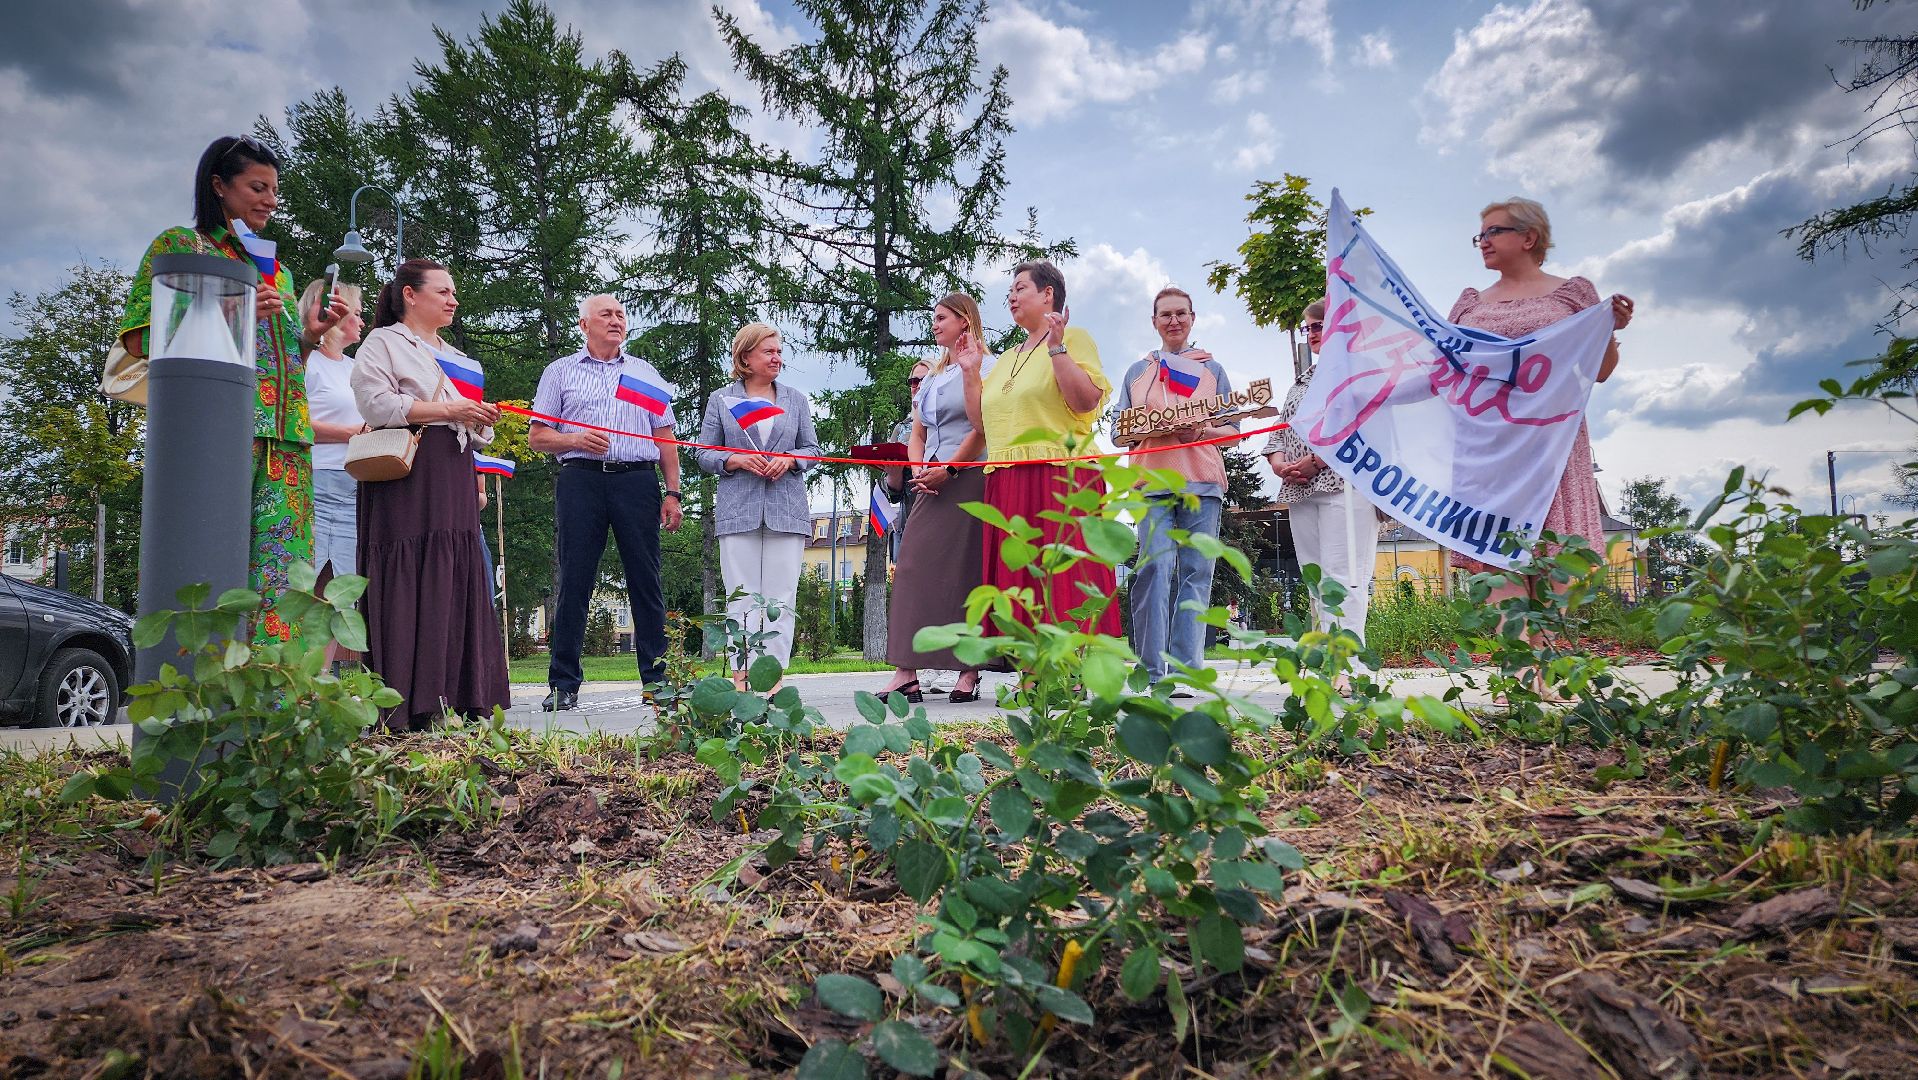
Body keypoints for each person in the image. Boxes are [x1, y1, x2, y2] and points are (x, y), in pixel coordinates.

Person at [119, 135, 347, 643]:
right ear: (219, 186)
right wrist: (226, 306)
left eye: (274, 190)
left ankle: (275, 702)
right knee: (206, 556)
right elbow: (139, 337)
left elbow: (286, 359)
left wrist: (308, 336)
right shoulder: (179, 245)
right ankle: (201, 695)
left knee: (285, 580)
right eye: (257, 187)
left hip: (287, 440)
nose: (270, 200)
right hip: (221, 433)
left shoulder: (279, 272)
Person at [1447, 197, 1634, 599]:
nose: (1483, 241)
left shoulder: (1571, 295)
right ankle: (1520, 665)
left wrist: (1609, 330)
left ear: (1529, 237)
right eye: (1480, 234)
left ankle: (1548, 660)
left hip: (1552, 452)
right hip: (1488, 457)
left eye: (1494, 231)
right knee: (1504, 610)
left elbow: (1599, 371)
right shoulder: (1469, 303)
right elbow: (1444, 370)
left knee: (1551, 608)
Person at [351, 259, 509, 729]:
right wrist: (446, 408)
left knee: (457, 573)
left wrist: (478, 418)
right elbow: (374, 403)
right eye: (442, 291)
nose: (452, 299)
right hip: (408, 476)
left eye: (453, 291)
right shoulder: (384, 342)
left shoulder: (460, 358)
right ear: (409, 295)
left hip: (453, 470)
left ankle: (458, 696)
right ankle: (406, 702)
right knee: (410, 575)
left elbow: (469, 428)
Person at [528, 294, 686, 712]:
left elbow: (666, 437)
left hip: (637, 481)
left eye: (621, 314)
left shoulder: (643, 372)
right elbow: (538, 436)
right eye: (606, 314)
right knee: (575, 580)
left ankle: (657, 682)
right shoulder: (559, 372)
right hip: (581, 479)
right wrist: (574, 439)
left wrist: (673, 492)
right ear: (584, 324)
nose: (616, 320)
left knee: (646, 581)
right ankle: (563, 683)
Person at [971, 260, 1121, 637]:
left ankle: (1068, 668)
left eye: (1020, 288)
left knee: (1063, 572)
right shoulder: (1006, 358)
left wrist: (1057, 349)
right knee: (1019, 577)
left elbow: (1086, 400)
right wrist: (971, 371)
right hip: (1006, 478)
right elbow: (981, 424)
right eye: (1009, 291)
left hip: (1059, 473)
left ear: (1048, 293)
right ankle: (1030, 670)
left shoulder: (1075, 337)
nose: (1011, 297)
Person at [1116, 286, 1241, 687]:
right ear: (1154, 322)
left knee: (1196, 572)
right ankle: (1151, 670)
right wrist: (1148, 429)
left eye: (1180, 314)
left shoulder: (1213, 369)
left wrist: (1200, 429)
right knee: (1154, 568)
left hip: (1201, 482)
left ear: (1192, 318)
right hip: (1151, 480)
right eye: (1165, 314)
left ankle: (1186, 671)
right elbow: (1121, 433)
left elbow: (1233, 431)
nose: (1173, 321)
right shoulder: (1138, 372)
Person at [878, 294, 996, 704]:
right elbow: (918, 431)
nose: (934, 324)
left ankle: (969, 669)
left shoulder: (986, 364)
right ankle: (905, 671)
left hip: (970, 476)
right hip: (928, 479)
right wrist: (916, 469)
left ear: (965, 321)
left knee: (966, 573)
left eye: (941, 318)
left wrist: (951, 469)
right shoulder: (932, 374)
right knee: (910, 565)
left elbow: (981, 428)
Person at [695, 324, 821, 688]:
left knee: (781, 598)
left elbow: (812, 449)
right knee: (742, 599)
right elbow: (704, 453)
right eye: (769, 351)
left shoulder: (795, 399)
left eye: (779, 351)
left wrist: (790, 460)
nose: (777, 357)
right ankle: (742, 679)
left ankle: (773, 679)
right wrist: (735, 459)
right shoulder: (722, 400)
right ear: (745, 357)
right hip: (738, 512)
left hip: (787, 511)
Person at [1264, 300, 1378, 683]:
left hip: (1345, 487)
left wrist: (1318, 461)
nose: (1313, 334)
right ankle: (1325, 664)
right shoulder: (1303, 380)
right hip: (1301, 491)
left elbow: (1360, 426)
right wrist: (1281, 465)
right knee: (1315, 579)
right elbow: (1278, 432)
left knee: (1344, 575)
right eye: (1309, 328)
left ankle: (1348, 663)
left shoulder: (1358, 374)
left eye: (1320, 326)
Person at [298, 280, 367, 665]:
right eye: (356, 312)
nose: (362, 320)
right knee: (308, 584)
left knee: (338, 590)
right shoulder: (308, 362)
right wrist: (349, 433)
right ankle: (298, 680)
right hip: (318, 481)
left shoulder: (357, 369)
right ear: (332, 314)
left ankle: (319, 682)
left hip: (357, 484)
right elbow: (292, 420)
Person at [878, 359, 933, 561]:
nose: (917, 385)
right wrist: (894, 475)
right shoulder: (902, 429)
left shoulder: (954, 422)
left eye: (923, 379)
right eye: (912, 381)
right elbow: (892, 493)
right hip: (911, 517)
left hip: (946, 509)